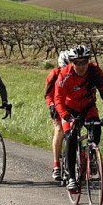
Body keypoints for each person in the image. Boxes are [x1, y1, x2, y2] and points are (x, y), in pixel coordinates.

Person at [54, 45, 103, 192]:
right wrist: (67, 117)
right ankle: (72, 178)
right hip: (69, 109)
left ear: (89, 61)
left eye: (84, 62)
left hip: (88, 106)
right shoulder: (65, 75)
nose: (81, 66)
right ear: (71, 63)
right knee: (72, 136)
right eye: (77, 63)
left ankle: (90, 157)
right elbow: (58, 99)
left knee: (96, 129)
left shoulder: (94, 72)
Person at [45, 49, 71, 182]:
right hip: (58, 106)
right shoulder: (54, 74)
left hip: (72, 105)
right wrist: (51, 105)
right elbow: (48, 94)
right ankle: (56, 164)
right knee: (59, 130)